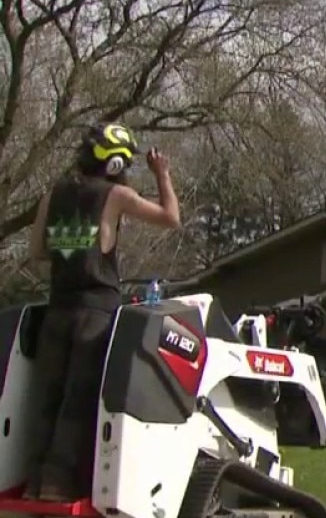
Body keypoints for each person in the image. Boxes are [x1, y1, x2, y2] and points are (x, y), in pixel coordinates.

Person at [23, 122, 181, 501]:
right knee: (79, 397)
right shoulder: (116, 194)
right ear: (115, 164)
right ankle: (58, 484)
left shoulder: (53, 194)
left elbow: (38, 251)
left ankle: (33, 483)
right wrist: (163, 175)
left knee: (48, 396)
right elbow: (170, 217)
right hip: (96, 313)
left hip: (58, 308)